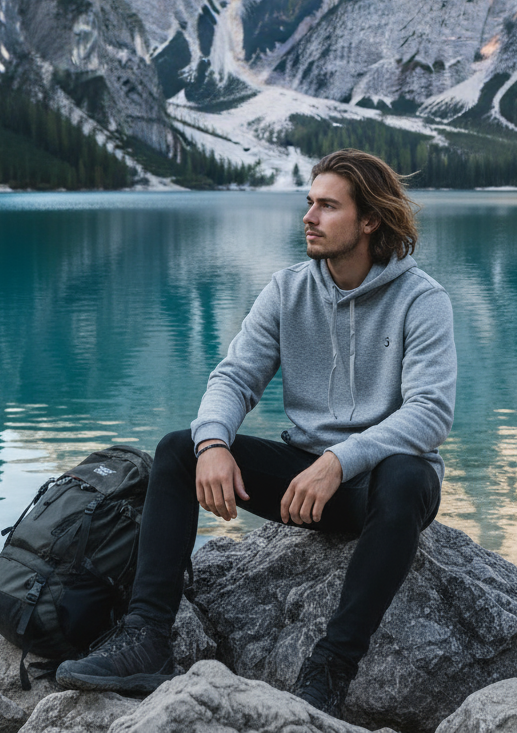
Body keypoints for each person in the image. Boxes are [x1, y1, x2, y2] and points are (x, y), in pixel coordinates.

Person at [56, 148, 457, 719]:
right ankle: (146, 636)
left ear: (370, 220)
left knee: (407, 475)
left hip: (379, 491)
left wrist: (340, 461)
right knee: (177, 449)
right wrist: (213, 444)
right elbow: (235, 377)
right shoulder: (288, 289)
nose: (308, 217)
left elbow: (430, 412)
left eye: (327, 206)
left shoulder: (422, 298)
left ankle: (330, 669)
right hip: (304, 484)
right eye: (309, 203)